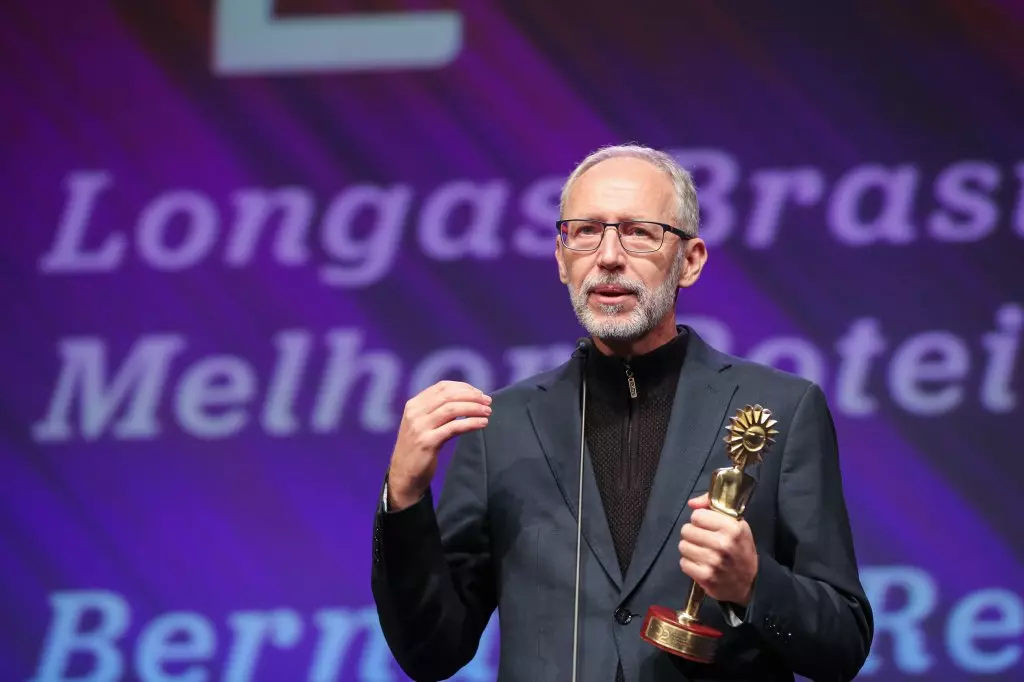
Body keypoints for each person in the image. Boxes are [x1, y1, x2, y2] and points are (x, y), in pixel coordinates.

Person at [371, 144, 873, 681]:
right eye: (586, 231)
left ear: (691, 261)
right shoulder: (504, 427)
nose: (609, 255)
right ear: (562, 259)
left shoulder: (782, 409)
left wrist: (754, 584)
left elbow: (843, 643)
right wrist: (403, 497)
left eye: (639, 232)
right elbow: (430, 652)